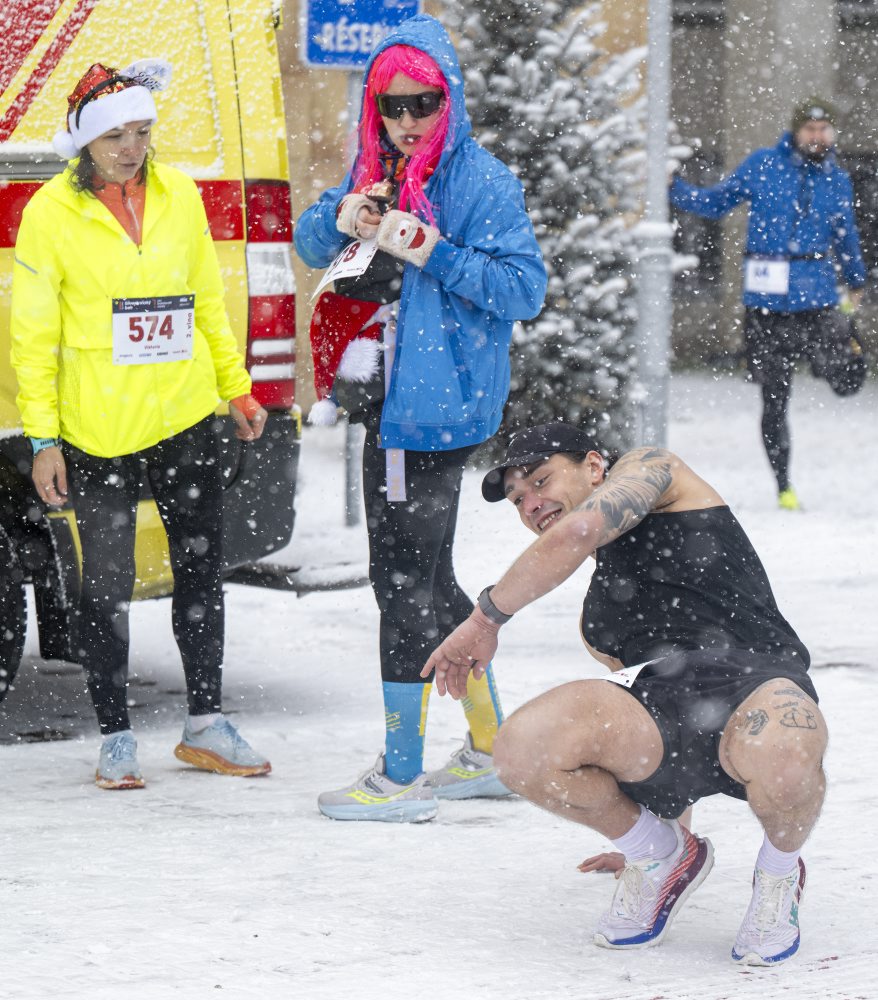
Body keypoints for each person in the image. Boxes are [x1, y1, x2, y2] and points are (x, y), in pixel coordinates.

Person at [423, 423, 827, 965]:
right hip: (668, 703)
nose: (530, 504)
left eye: (540, 481)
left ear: (594, 467)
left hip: (761, 679)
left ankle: (779, 874)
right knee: (523, 748)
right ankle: (663, 858)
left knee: (785, 752)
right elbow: (668, 742)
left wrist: (485, 619)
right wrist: (655, 835)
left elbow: (579, 532)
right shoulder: (600, 621)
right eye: (518, 500)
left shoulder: (656, 472)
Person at [294, 14, 547, 822]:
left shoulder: (480, 182)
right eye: (392, 104)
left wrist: (428, 247)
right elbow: (309, 241)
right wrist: (343, 218)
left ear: (451, 98)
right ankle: (491, 750)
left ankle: (401, 775)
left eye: (423, 103)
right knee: (427, 580)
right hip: (391, 405)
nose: (407, 120)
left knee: (401, 585)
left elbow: (523, 290)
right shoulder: (375, 167)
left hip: (434, 413)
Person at [10, 60, 271, 789]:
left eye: (142, 131)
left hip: (184, 413)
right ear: (85, 144)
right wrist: (44, 439)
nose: (132, 148)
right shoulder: (49, 215)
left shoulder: (179, 193)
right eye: (115, 136)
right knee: (106, 585)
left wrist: (235, 388)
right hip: (98, 427)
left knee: (200, 573)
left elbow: (205, 301)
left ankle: (206, 724)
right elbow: (33, 338)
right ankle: (115, 735)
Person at [670, 97, 866, 510]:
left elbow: (846, 233)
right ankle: (783, 485)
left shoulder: (837, 179)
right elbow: (716, 202)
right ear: (796, 132)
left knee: (846, 379)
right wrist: (674, 188)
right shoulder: (764, 164)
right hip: (767, 305)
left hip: (817, 298)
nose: (817, 136)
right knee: (775, 399)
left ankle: (842, 354)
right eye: (810, 129)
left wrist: (857, 279)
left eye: (824, 129)